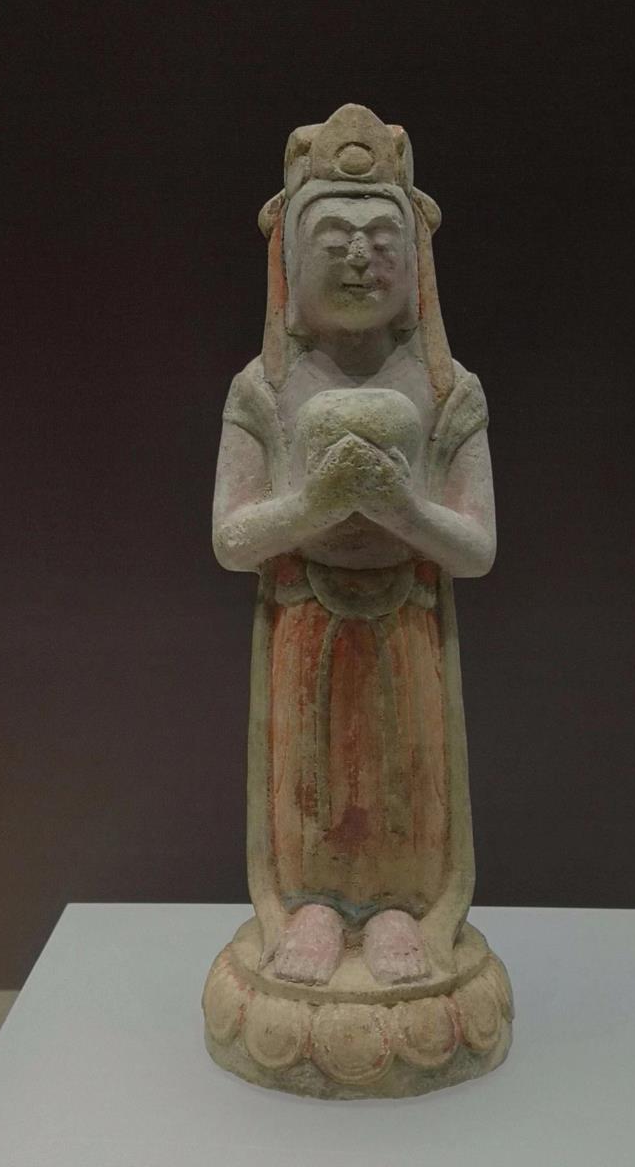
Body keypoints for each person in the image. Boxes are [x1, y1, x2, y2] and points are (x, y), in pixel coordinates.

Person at [212, 105, 496, 988]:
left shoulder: (450, 392)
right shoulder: (263, 391)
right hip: (305, 614)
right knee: (308, 774)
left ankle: (402, 908)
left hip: (408, 617)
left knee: (407, 770)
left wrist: (401, 508)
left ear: (416, 263)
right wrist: (315, 504)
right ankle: (313, 907)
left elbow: (476, 548)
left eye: (381, 237)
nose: (360, 255)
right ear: (290, 263)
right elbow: (232, 538)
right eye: (333, 236)